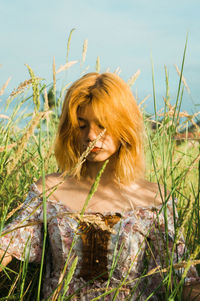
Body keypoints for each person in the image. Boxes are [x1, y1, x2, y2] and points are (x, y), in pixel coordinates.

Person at [0, 72, 199, 300]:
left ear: (124, 127)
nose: (91, 135)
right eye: (81, 125)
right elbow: (8, 246)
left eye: (102, 126)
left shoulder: (154, 198)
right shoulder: (49, 191)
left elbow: (182, 280)